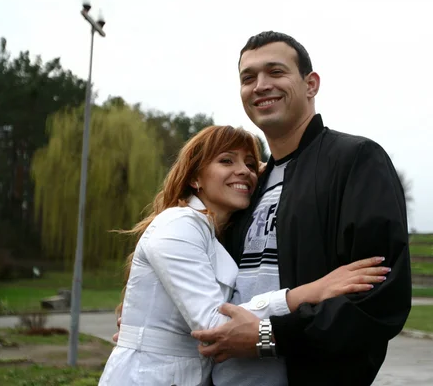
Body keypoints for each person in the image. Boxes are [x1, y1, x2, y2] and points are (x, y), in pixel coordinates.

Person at [189, 31, 412, 386]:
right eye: (248, 77)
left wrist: (267, 337)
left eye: (275, 72)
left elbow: (379, 303)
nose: (260, 85)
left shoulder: (354, 161)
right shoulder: (247, 186)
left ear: (311, 84)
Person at [100, 125, 390, 386]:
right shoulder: (180, 224)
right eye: (226, 160)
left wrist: (278, 166)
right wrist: (311, 292)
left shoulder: (216, 233)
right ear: (195, 178)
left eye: (250, 164)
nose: (244, 171)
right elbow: (215, 327)